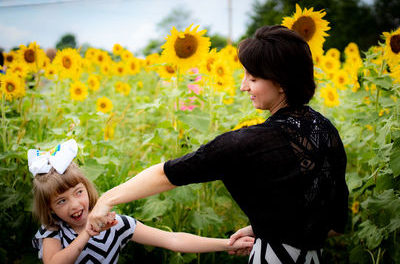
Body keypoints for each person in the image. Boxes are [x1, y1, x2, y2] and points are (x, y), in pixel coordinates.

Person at [88, 25, 349, 264]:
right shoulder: (325, 129)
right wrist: (262, 227)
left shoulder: (250, 142)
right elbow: (334, 221)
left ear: (280, 83)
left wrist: (107, 199)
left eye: (253, 79)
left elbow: (169, 173)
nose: (243, 86)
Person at [30, 139, 254, 264]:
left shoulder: (116, 224)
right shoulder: (53, 231)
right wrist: (87, 233)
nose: (75, 205)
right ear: (49, 207)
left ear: (87, 188)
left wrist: (225, 244)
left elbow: (173, 240)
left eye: (78, 192)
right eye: (61, 201)